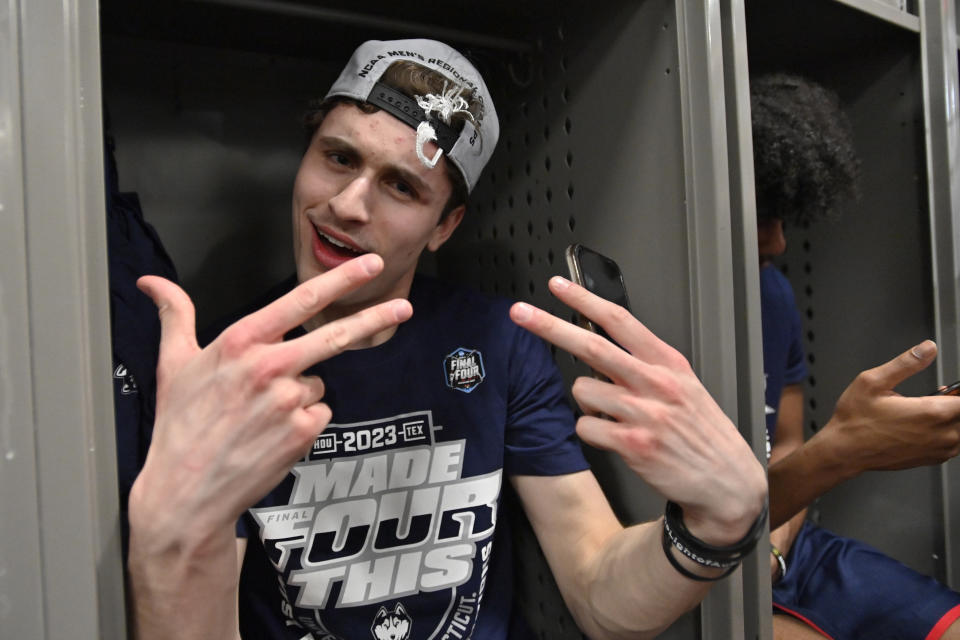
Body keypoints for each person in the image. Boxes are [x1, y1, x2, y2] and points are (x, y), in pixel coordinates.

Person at [125, 38, 768, 639]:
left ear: (444, 226)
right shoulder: (226, 368)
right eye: (339, 157)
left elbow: (598, 590)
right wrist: (168, 543)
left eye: (401, 186)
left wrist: (713, 528)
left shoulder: (496, 342)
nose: (349, 205)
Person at [751, 73, 960, 640]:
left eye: (780, 215)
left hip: (788, 543)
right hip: (692, 563)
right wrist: (844, 450)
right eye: (757, 213)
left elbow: (788, 442)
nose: (777, 243)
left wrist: (773, 544)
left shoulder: (773, 295)